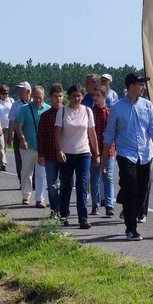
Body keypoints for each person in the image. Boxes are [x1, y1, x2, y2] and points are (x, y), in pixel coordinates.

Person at [102, 72, 153, 241]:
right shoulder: (117, 107)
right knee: (131, 190)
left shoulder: (148, 106)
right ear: (130, 86)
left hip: (145, 154)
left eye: (143, 84)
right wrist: (104, 159)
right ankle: (131, 229)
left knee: (142, 192)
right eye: (140, 84)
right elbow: (109, 135)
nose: (143, 87)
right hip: (125, 154)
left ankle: (129, 208)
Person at [54, 83, 100, 229]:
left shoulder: (87, 111)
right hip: (67, 153)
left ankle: (83, 218)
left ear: (82, 96)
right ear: (69, 96)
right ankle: (63, 215)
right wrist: (59, 151)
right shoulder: (62, 111)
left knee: (82, 185)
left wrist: (96, 153)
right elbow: (56, 134)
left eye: (79, 95)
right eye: (74, 96)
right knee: (66, 185)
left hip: (83, 153)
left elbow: (92, 134)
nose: (76, 98)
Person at [15, 85, 49, 207]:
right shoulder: (25, 109)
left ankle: (40, 199)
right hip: (28, 147)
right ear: (32, 96)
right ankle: (26, 196)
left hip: (42, 148)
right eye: (35, 97)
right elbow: (18, 126)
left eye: (40, 97)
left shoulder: (48, 109)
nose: (38, 100)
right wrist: (22, 140)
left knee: (41, 174)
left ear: (44, 97)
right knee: (26, 172)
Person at [36, 83, 64, 219]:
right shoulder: (45, 116)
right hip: (50, 155)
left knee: (65, 185)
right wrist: (41, 154)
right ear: (50, 98)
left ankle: (63, 211)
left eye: (60, 96)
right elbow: (40, 136)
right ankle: (54, 210)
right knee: (52, 185)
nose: (58, 99)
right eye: (55, 97)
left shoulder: (68, 113)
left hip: (66, 155)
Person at [90, 85, 115, 216]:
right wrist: (93, 152)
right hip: (94, 150)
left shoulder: (110, 112)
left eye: (98, 96)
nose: (95, 98)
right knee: (94, 179)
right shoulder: (90, 112)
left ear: (105, 96)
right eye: (94, 95)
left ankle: (109, 205)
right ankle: (95, 205)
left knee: (108, 177)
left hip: (109, 151)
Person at [8, 81, 31, 187]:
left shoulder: (34, 103)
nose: (19, 91)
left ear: (28, 91)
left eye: (22, 89)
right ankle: (22, 181)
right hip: (19, 135)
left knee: (33, 159)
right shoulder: (16, 105)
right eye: (19, 89)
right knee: (19, 159)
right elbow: (11, 121)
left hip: (32, 134)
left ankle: (33, 182)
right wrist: (10, 136)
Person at [0, 84, 13, 171]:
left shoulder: (11, 101)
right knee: (1, 145)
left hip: (8, 126)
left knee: (5, 146)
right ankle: (4, 162)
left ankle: (1, 164)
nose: (5, 95)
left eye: (6, 93)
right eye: (3, 93)